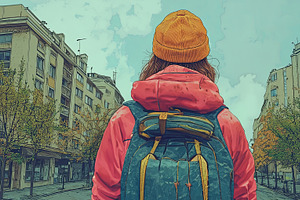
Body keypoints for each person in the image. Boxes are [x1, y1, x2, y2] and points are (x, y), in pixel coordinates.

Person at [92, 9, 257, 200]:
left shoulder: (124, 119)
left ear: (155, 59)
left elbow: (104, 194)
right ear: (204, 61)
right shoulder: (227, 123)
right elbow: (244, 194)